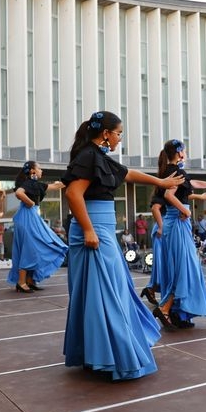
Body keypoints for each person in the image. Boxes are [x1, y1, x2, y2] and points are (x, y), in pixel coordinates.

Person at [61, 111, 182, 380]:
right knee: (106, 291)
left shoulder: (98, 156)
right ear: (106, 133)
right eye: (118, 133)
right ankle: (112, 355)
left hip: (100, 228)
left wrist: (160, 181)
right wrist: (89, 229)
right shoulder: (88, 156)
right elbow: (73, 193)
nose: (120, 138)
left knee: (103, 291)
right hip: (93, 229)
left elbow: (128, 174)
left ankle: (98, 354)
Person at [154, 139, 206, 330]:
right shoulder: (176, 171)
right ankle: (166, 309)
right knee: (186, 268)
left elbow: (191, 183)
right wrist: (186, 211)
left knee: (180, 267)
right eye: (184, 150)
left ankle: (177, 313)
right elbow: (169, 196)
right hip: (178, 222)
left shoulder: (170, 170)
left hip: (173, 222)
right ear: (180, 152)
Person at [7, 161, 68, 293]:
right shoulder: (29, 183)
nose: (42, 170)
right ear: (32, 171)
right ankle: (21, 282)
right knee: (29, 249)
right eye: (39, 168)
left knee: (35, 248)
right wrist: (30, 202)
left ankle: (30, 280)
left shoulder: (35, 184)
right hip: (27, 217)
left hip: (30, 216)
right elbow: (19, 193)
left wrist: (71, 178)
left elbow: (56, 186)